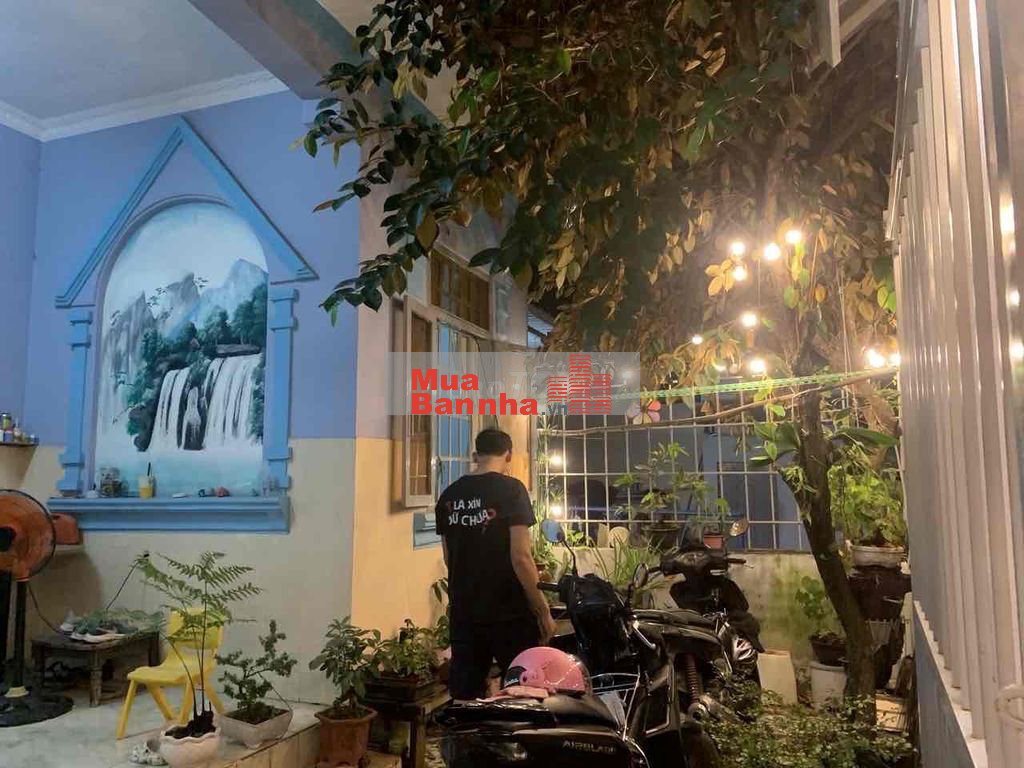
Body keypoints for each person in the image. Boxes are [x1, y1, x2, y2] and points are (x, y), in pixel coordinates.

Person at [435, 427, 557, 700]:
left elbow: (449, 558)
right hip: (509, 613)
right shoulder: (512, 490)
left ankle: (467, 730)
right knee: (524, 691)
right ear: (509, 455)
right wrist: (542, 610)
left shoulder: (449, 495)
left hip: (465, 612)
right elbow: (521, 557)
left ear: (475, 455)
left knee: (466, 696)